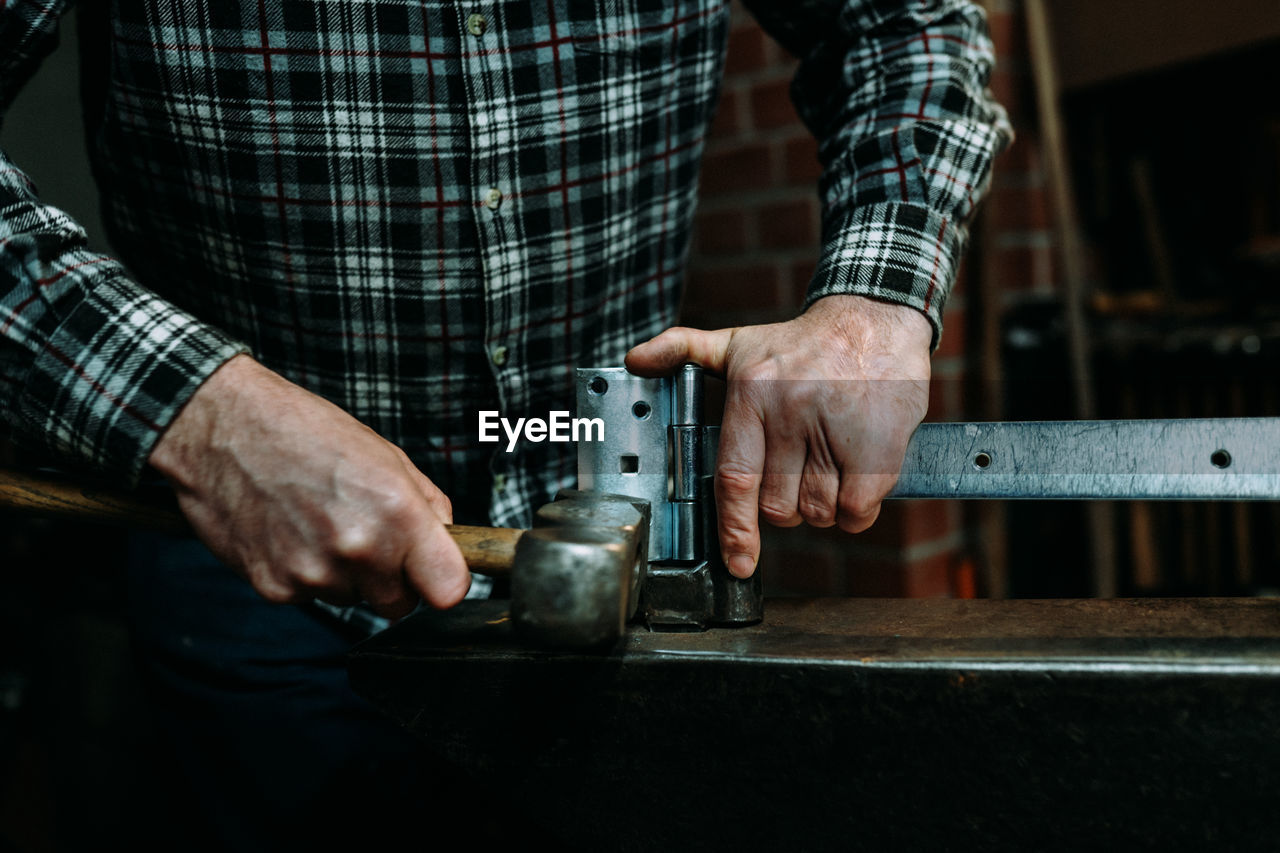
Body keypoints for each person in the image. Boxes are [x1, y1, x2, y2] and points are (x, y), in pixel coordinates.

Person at [0, 0, 1011, 846]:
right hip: (248, 568)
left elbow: (904, 22)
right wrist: (203, 415)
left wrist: (876, 300)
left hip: (630, 557)